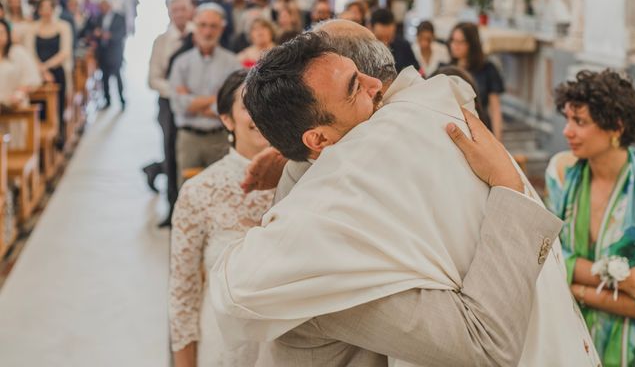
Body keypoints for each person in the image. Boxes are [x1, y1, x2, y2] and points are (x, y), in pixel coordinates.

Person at [212, 25, 598, 366]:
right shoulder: (320, 252)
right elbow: (486, 345)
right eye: (354, 89)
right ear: (319, 138)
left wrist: (293, 158)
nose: (377, 87)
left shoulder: (374, 154)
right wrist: (507, 187)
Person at [169, 70, 274, 367]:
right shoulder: (200, 191)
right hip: (226, 348)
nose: (261, 113)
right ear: (226, 119)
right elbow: (183, 293)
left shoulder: (305, 181)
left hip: (290, 347)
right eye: (248, 105)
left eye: (268, 102)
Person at [545, 69, 635, 365]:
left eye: (580, 121)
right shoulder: (562, 175)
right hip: (569, 338)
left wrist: (572, 286)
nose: (567, 131)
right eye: (568, 119)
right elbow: (547, 259)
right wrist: (618, 282)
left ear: (616, 127)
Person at [169, 3, 241, 195]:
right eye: (203, 25)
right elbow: (179, 104)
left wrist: (194, 101)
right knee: (188, 193)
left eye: (213, 26)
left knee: (221, 193)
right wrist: (214, 99)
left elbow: (231, 104)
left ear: (221, 29)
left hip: (219, 137)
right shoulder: (181, 63)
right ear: (195, 26)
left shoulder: (232, 63)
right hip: (189, 138)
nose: (207, 31)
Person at [144, 0, 193, 226]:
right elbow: (153, 79)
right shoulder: (162, 42)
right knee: (172, 151)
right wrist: (177, 92)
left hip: (198, 103)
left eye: (183, 9)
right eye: (175, 10)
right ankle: (173, 208)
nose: (180, 14)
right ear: (169, 12)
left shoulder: (198, 35)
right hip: (170, 104)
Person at [24, 0, 72, 142]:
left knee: (57, 105)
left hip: (57, 71)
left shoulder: (63, 26)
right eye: (42, 8)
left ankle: (59, 134)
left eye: (48, 8)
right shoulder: (33, 28)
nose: (46, 11)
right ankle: (41, 140)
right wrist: (41, 70)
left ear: (53, 9)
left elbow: (65, 52)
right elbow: (29, 51)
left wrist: (47, 67)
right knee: (41, 108)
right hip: (37, 73)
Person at [448, 22, 504, 141]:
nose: (454, 45)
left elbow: (495, 109)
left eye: (459, 42)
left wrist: (498, 141)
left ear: (471, 44)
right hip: (453, 129)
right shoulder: (447, 69)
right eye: (452, 41)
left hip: (481, 128)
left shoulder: (487, 69)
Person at [94, 0, 127, 110]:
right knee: (105, 77)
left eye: (105, 5)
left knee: (117, 76)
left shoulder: (119, 17)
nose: (103, 7)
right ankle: (107, 100)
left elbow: (122, 33)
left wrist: (110, 36)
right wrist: (97, 34)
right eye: (101, 5)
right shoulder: (98, 17)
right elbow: (93, 30)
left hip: (115, 51)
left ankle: (122, 99)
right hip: (103, 51)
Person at [0, 18, 41, 107]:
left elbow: (31, 78)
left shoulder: (18, 52)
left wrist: (18, 94)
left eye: (1, 32)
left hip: (14, 106)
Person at [369, 7, 420, 72]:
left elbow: (415, 68)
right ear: (371, 29)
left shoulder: (403, 45)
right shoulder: (365, 48)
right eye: (380, 38)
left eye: (388, 37)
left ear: (394, 29)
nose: (385, 43)